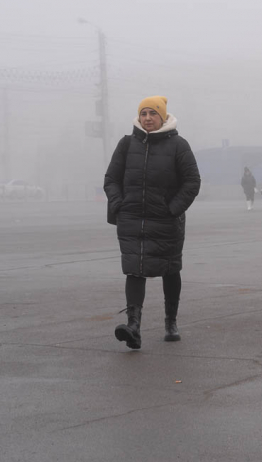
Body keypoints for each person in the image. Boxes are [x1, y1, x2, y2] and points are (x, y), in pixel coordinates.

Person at [104, 96, 201, 350]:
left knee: (170, 269)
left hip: (166, 221)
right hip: (133, 220)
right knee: (134, 269)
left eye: (153, 113)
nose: (148, 118)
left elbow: (192, 182)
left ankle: (171, 322)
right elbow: (111, 179)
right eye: (144, 113)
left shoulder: (179, 145)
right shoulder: (126, 145)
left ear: (163, 116)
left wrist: (173, 209)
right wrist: (119, 205)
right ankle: (133, 326)